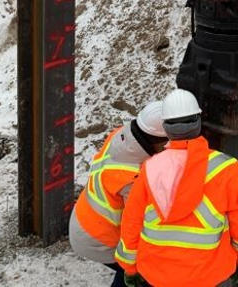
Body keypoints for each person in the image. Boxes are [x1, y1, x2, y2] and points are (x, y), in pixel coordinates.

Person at [115, 89, 238, 287]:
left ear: (166, 128)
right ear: (198, 123)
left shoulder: (149, 170)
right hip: (211, 277)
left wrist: (130, 268)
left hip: (156, 277)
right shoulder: (228, 170)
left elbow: (131, 224)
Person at [69, 101, 168, 287]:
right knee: (140, 273)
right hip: (97, 238)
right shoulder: (132, 179)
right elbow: (140, 228)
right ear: (156, 142)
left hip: (85, 217)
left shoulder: (123, 137)